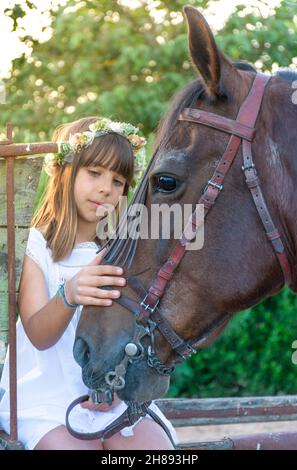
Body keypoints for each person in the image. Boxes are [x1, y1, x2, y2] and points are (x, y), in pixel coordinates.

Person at [0, 116, 177, 450]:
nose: (105, 188)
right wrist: (69, 294)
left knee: (158, 453)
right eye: (94, 173)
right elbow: (39, 336)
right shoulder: (37, 247)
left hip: (113, 395)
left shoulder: (121, 250)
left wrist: (115, 386)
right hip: (47, 397)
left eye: (118, 181)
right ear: (65, 172)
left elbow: (135, 334)